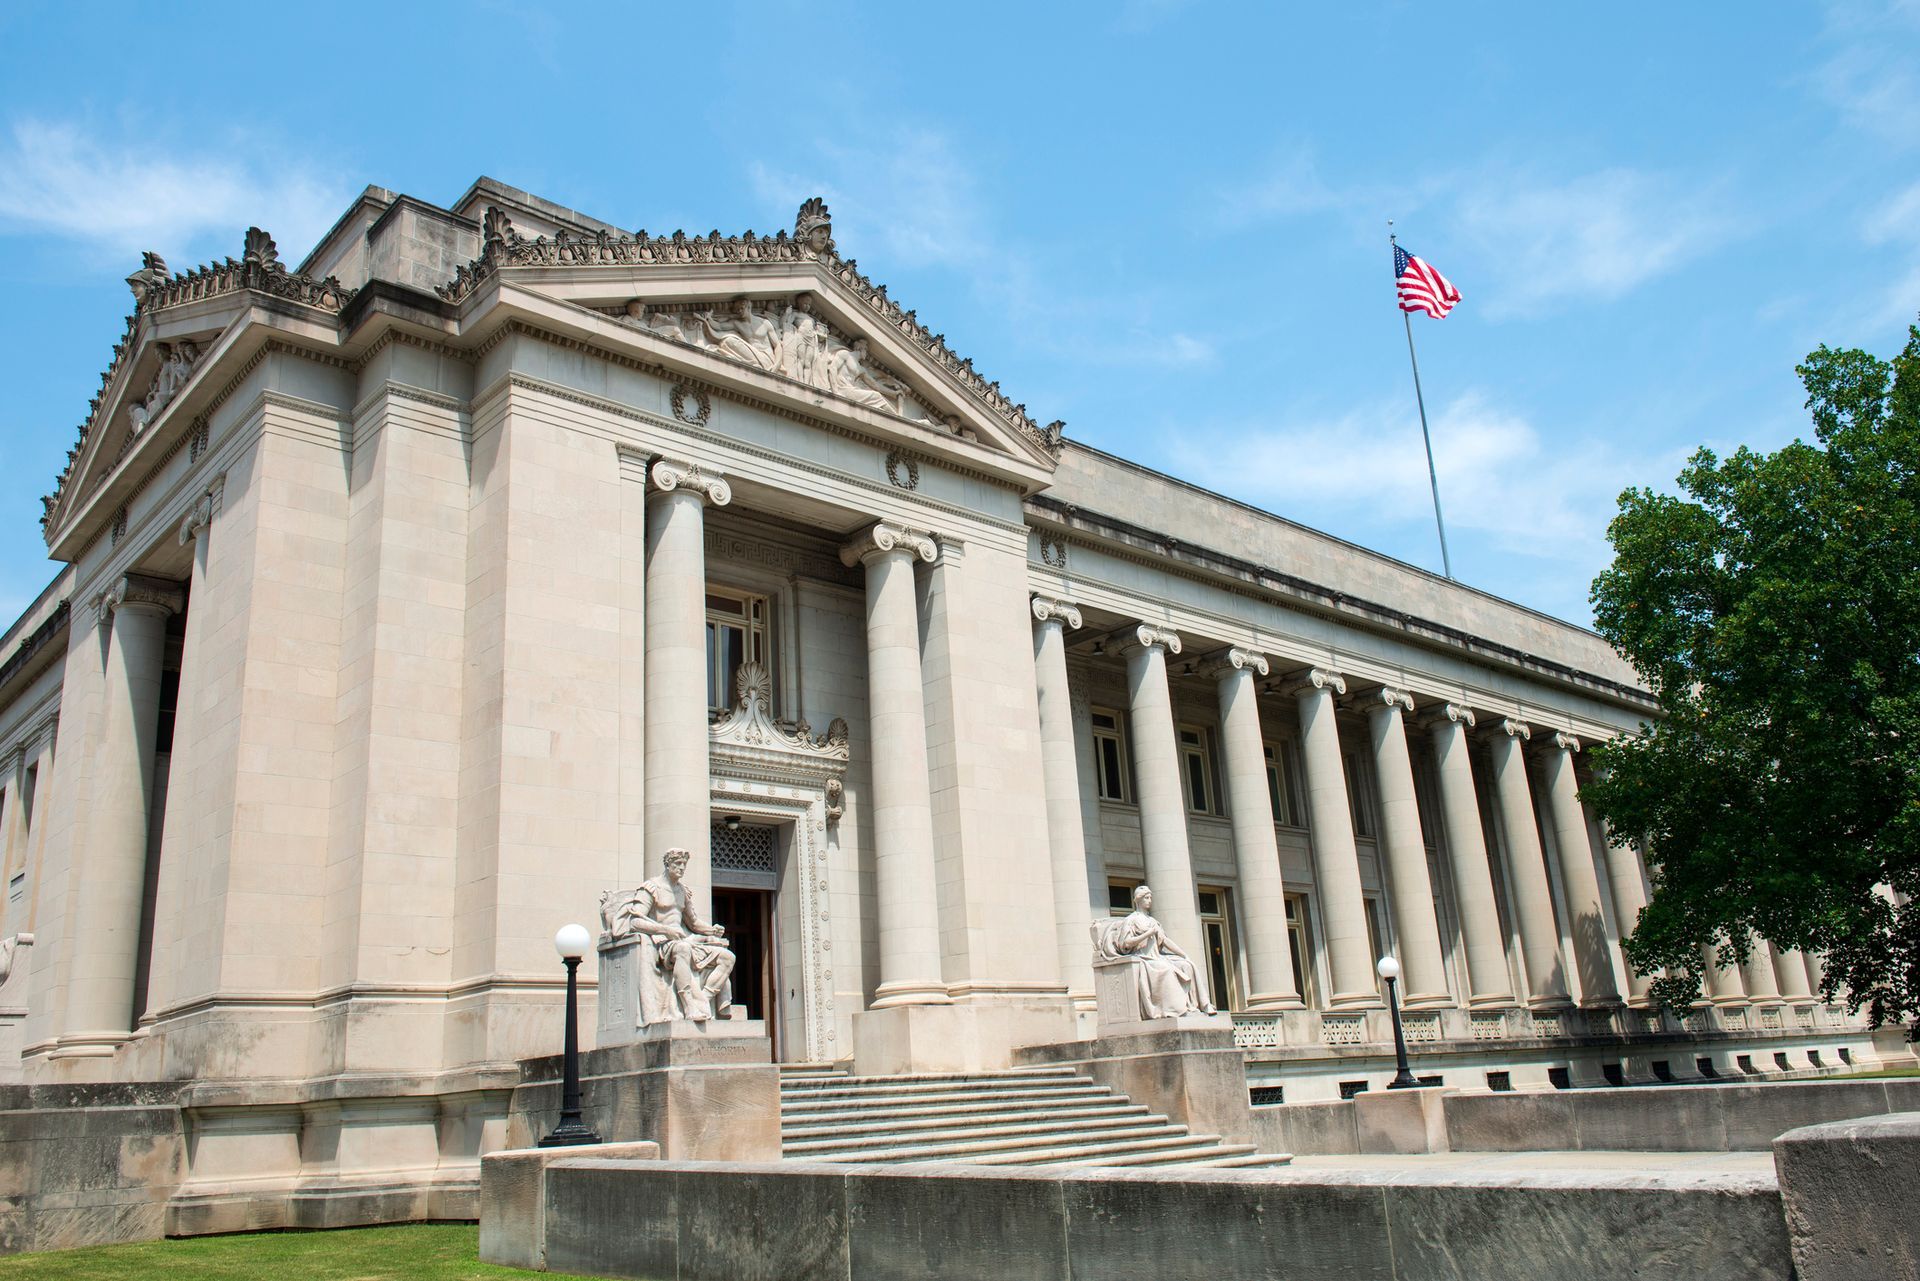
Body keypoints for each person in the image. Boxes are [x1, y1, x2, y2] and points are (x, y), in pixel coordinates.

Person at [613, 848, 736, 1022]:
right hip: (662, 943)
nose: (681, 868)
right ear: (667, 864)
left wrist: (711, 930)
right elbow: (635, 921)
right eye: (678, 864)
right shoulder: (651, 888)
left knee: (728, 957)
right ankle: (689, 1007)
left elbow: (693, 922)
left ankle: (703, 1001)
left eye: (684, 865)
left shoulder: (682, 891)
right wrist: (666, 930)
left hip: (684, 940)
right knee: (683, 949)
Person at [1093, 884, 1215, 1018]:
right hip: (1144, 958)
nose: (1149, 900)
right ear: (1138, 900)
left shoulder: (1153, 921)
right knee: (1167, 970)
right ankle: (1177, 1010)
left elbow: (1166, 941)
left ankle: (1200, 1005)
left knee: (1187, 965)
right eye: (1146, 897)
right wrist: (1148, 933)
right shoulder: (1131, 920)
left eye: (1150, 897)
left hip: (1157, 956)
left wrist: (1183, 954)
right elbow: (1126, 943)